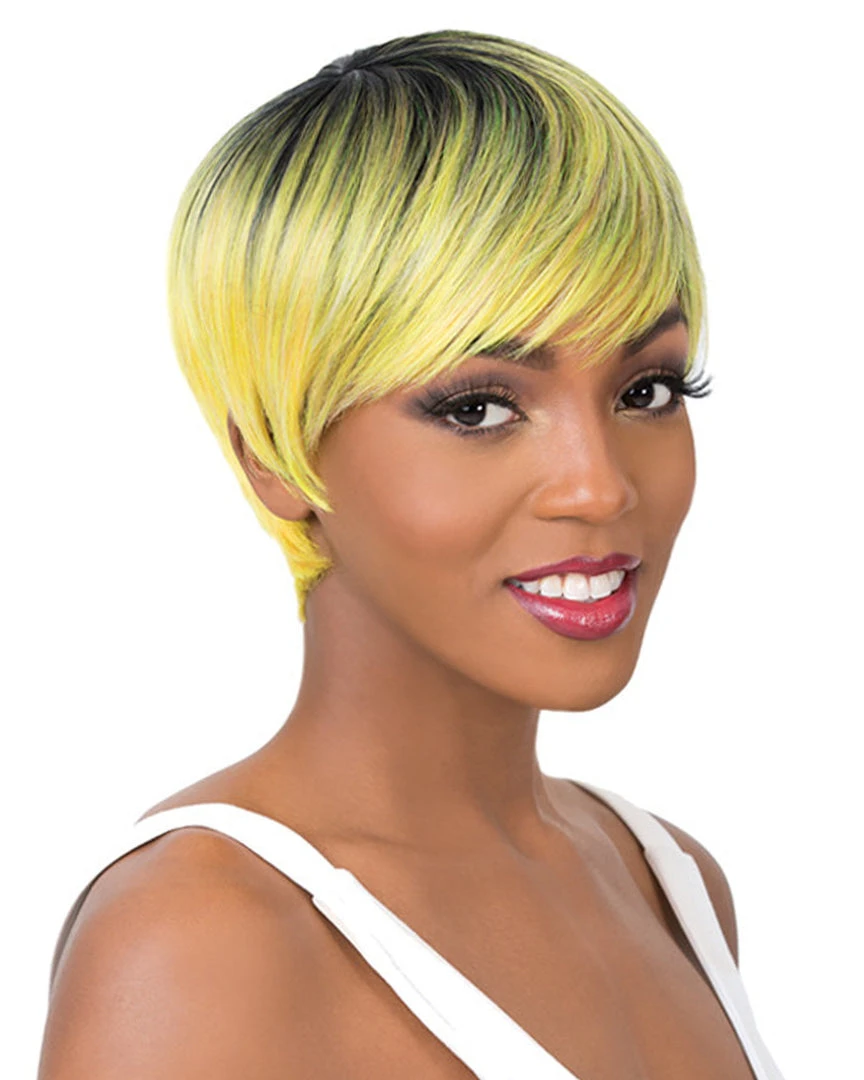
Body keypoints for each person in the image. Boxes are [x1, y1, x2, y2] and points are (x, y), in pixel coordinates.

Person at [37, 30, 787, 1080]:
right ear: (278, 456)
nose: (600, 486)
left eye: (646, 389)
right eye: (479, 407)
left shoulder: (669, 880)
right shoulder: (203, 940)